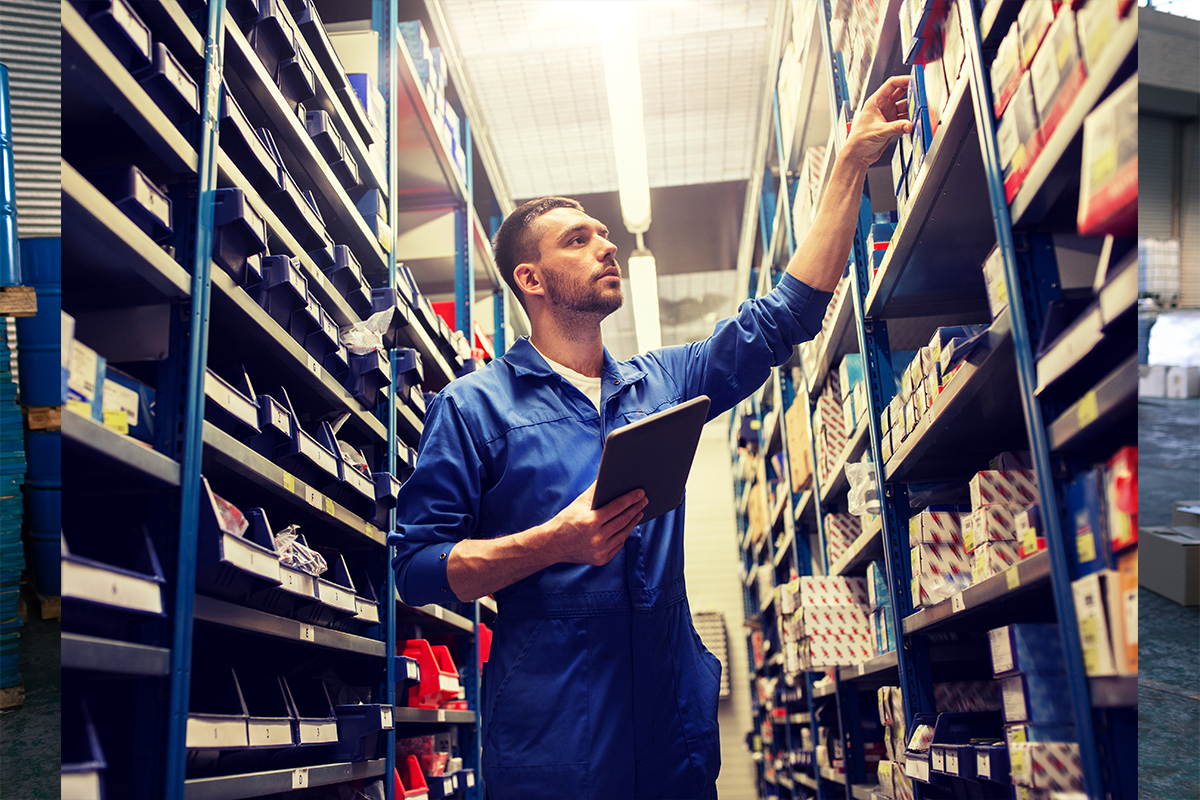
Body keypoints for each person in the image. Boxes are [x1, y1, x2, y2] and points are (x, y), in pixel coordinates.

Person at [390, 75, 912, 799]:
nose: (606, 247)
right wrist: (551, 542)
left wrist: (851, 160)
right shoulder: (472, 407)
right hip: (554, 746)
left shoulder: (664, 381)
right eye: (580, 240)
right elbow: (416, 566)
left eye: (605, 234)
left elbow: (788, 314)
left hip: (671, 735)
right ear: (530, 278)